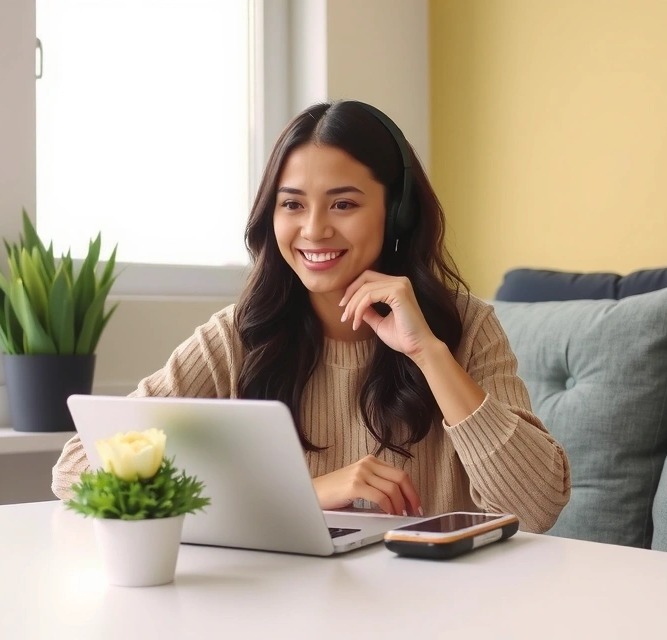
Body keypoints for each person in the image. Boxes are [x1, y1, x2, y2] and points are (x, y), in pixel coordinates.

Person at [51, 100, 571, 533]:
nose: (314, 229)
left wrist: (428, 353)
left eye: (343, 205)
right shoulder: (238, 336)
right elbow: (77, 469)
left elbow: (537, 508)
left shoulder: (467, 327)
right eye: (292, 205)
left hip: (434, 604)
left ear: (397, 214)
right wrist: (305, 494)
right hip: (284, 605)